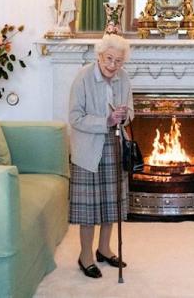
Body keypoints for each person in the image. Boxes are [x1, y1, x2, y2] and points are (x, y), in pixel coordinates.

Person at [67, 34, 134, 279]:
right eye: (109, 59)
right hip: (88, 149)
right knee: (89, 209)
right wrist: (105, 120)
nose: (113, 65)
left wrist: (124, 115)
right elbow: (74, 117)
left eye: (118, 61)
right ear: (99, 55)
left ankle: (104, 249)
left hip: (115, 144)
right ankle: (85, 256)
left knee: (110, 203)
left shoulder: (123, 78)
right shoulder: (83, 77)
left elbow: (131, 111)